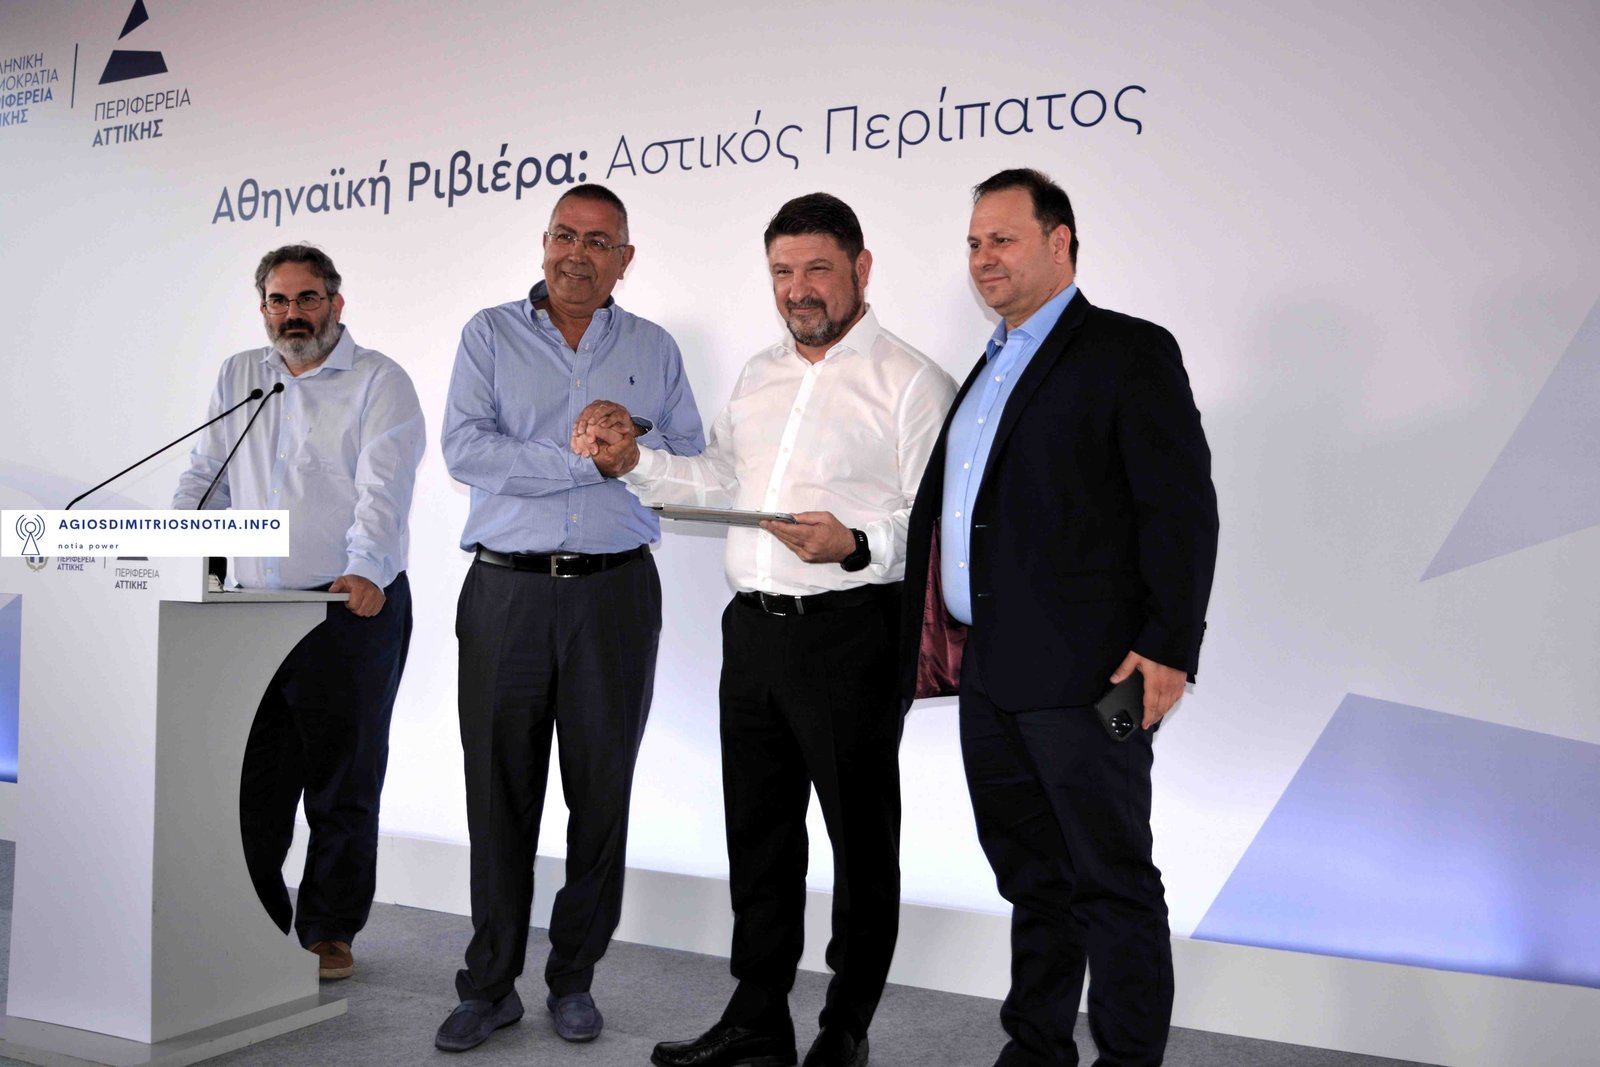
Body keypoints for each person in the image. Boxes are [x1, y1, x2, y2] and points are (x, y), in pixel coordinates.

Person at [574, 192, 957, 1067]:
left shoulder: (912, 381)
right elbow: (719, 480)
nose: (798, 288)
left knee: (860, 841)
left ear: (861, 268)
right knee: (759, 835)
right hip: (751, 634)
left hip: (853, 632)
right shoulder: (757, 374)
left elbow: (932, 524)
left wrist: (854, 541)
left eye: (817, 267)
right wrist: (636, 464)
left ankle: (845, 1025)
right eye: (783, 270)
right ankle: (758, 1016)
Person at [900, 169, 1219, 1067]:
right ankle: (1036, 1046)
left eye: (1002, 238)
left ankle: (1127, 1058)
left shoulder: (1128, 350)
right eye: (973, 243)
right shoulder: (989, 365)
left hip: (1093, 682)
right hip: (991, 675)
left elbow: (1181, 510)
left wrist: (1168, 648)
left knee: (1111, 880)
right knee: (1034, 880)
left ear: (1060, 242)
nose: (983, 258)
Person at [435, 184, 706, 1053]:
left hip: (614, 595)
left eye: (597, 241)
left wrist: (635, 450)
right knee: (498, 793)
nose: (576, 254)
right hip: (506, 593)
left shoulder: (654, 349)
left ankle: (574, 976)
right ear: (544, 242)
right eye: (564, 235)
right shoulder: (489, 335)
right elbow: (466, 449)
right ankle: (489, 984)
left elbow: (692, 459)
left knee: (601, 793)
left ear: (625, 258)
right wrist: (586, 462)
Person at [172, 243, 425, 982]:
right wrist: (173, 546)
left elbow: (383, 489)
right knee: (255, 781)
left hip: (346, 606)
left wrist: (366, 567)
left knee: (343, 780)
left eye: (308, 298)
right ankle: (250, 922)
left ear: (335, 304)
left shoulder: (379, 380)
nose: (293, 314)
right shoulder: (240, 376)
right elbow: (207, 473)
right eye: (279, 301)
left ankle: (329, 929)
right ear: (263, 308)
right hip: (253, 612)